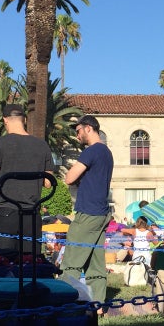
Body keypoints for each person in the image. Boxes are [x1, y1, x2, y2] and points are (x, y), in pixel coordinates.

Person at [0, 103, 53, 252]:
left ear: (5, 120)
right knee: (29, 264)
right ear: (24, 120)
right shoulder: (42, 145)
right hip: (32, 214)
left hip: (5, 211)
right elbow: (48, 183)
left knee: (2, 263)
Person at [61, 115, 114, 304]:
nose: (77, 136)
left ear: (89, 128)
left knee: (71, 262)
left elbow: (68, 178)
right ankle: (98, 304)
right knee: (96, 263)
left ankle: (64, 302)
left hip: (87, 213)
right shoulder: (107, 152)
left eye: (78, 131)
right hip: (101, 213)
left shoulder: (91, 151)